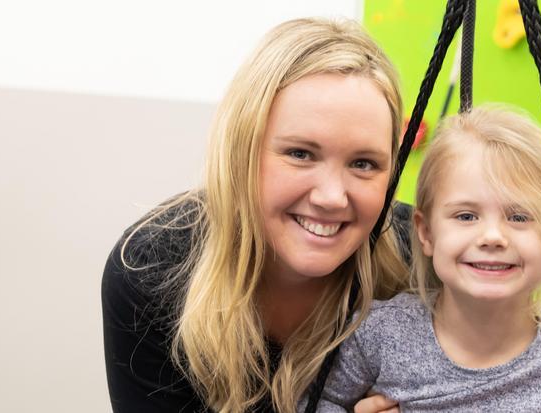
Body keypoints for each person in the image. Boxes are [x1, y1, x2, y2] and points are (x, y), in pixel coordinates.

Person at [102, 18, 414, 413]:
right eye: (300, 154)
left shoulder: (423, 261)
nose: (332, 197)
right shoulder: (152, 270)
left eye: (364, 163)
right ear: (241, 152)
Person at [316, 105, 541, 412]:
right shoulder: (378, 333)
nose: (492, 237)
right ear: (426, 233)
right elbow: (318, 401)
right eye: (466, 216)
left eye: (519, 217)